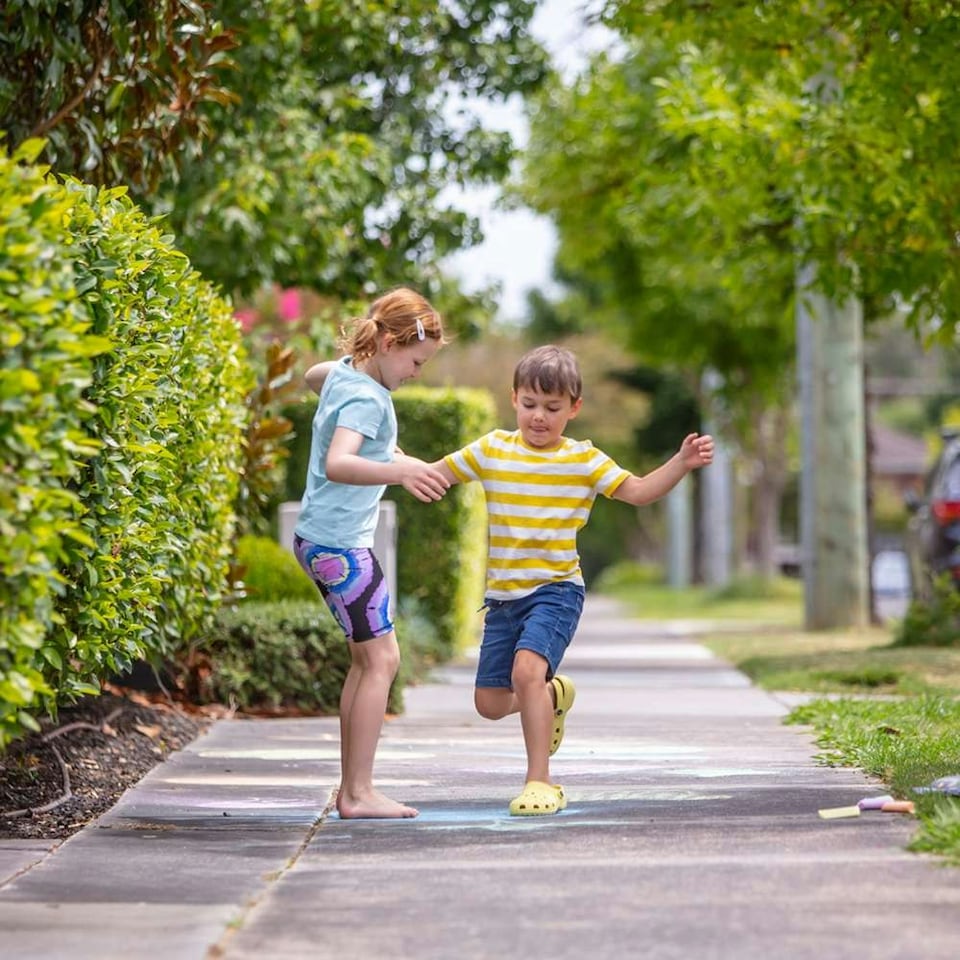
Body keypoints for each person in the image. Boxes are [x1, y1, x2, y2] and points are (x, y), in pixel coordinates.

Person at [430, 345, 714, 817]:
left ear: (574, 409)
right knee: (489, 703)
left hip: (556, 590)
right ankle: (551, 694)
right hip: (503, 598)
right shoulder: (492, 449)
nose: (538, 417)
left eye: (552, 408)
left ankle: (540, 781)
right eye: (529, 405)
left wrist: (680, 463)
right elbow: (437, 473)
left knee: (526, 672)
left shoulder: (583, 460)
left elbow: (639, 491)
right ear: (514, 399)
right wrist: (393, 464)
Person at [295, 287, 450, 819]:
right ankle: (357, 793)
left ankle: (354, 789)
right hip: (341, 544)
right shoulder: (368, 397)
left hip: (320, 538)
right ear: (386, 341)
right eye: (414, 360)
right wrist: (400, 470)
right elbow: (340, 462)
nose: (416, 372)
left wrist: (387, 451)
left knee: (368, 661)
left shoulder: (346, 373)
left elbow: (314, 376)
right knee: (382, 659)